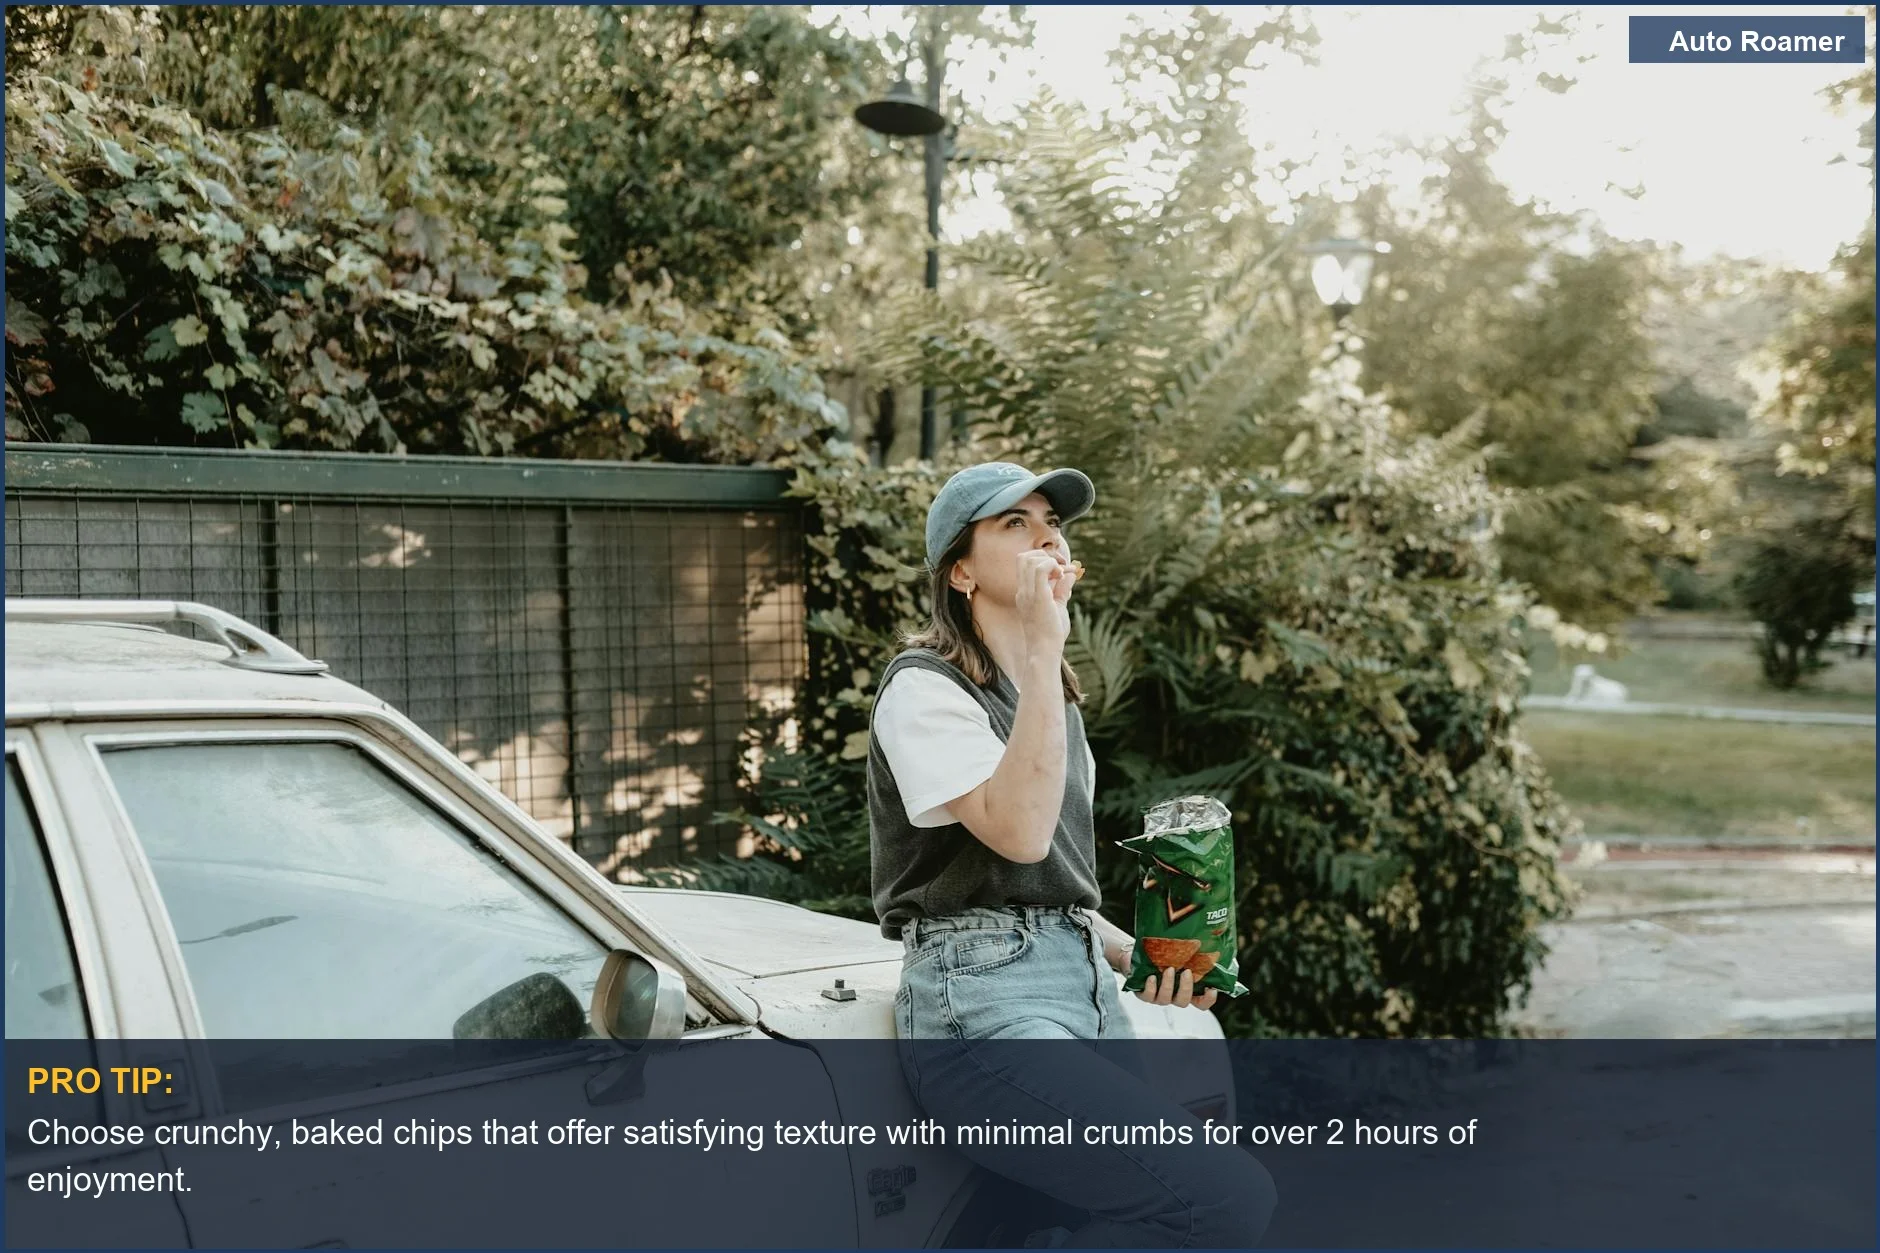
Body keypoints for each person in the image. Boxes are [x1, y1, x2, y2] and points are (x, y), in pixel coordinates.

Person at [868, 461, 1276, 1249]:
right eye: (1012, 523)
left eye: (1051, 521)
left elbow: (1053, 893)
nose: (1046, 534)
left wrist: (1157, 955)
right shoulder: (923, 688)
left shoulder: (1046, 698)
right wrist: (1047, 645)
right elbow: (1016, 833)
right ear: (959, 569)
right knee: (1223, 1199)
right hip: (979, 1003)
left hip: (1080, 986)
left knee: (1083, 1220)